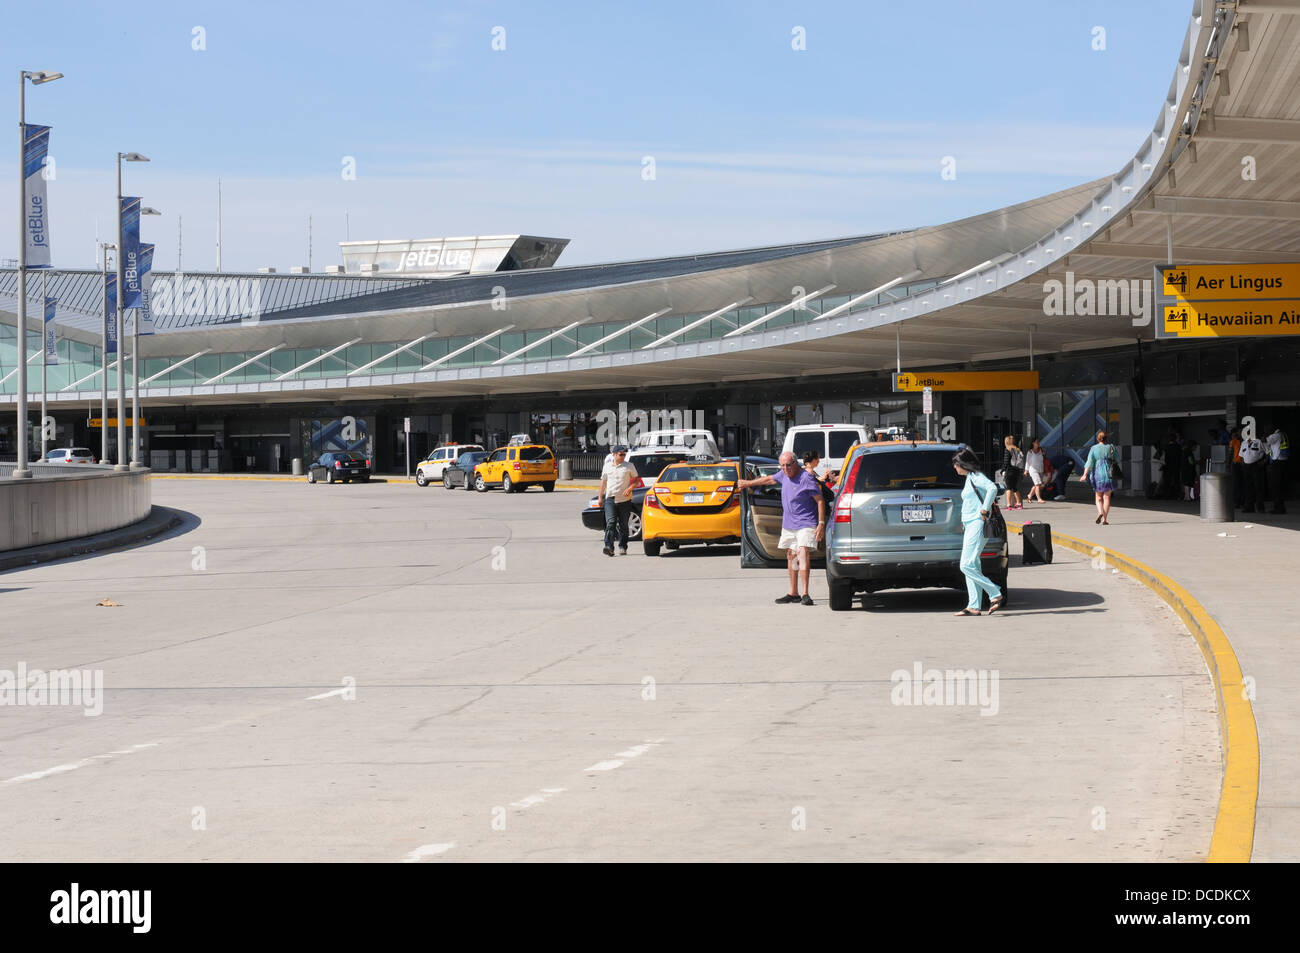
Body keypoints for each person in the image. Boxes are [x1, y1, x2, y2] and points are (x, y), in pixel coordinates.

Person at [737, 450, 826, 605]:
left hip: (806, 523)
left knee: (802, 553)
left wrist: (821, 524)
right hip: (789, 524)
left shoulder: (806, 478)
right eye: (782, 466)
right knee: (791, 556)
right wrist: (748, 483)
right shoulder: (783, 475)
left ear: (795, 463)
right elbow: (769, 480)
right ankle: (793, 593)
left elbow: (820, 500)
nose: (785, 469)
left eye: (788, 465)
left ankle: (805, 593)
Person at [951, 447, 1003, 617]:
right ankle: (974, 605)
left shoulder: (977, 477)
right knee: (973, 564)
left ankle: (994, 592)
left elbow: (992, 489)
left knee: (965, 565)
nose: (955, 467)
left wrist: (984, 510)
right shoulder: (969, 478)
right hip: (970, 524)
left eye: (956, 464)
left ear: (963, 464)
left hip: (977, 524)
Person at [597, 445, 637, 556]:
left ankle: (623, 546)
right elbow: (603, 483)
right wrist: (600, 497)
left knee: (624, 524)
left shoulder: (629, 466)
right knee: (610, 522)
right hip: (610, 499)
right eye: (621, 454)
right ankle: (609, 546)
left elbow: (636, 480)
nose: (623, 456)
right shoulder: (607, 467)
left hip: (625, 500)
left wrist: (630, 488)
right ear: (614, 455)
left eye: (624, 454)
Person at [1080, 430, 1118, 525]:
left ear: (1098, 439)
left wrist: (1085, 474)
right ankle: (1104, 519)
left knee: (1098, 497)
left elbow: (1089, 462)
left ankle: (1100, 512)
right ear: (1106, 438)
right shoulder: (1111, 447)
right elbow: (1117, 459)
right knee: (1107, 497)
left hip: (1098, 474)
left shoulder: (1094, 448)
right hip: (1109, 473)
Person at [1240, 429, 1268, 513]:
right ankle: (1249, 507)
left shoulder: (1259, 441)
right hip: (1246, 467)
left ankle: (1260, 508)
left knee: (1258, 487)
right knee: (1248, 487)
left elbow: (1268, 452)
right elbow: (1241, 455)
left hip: (1256, 466)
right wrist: (1243, 463)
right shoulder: (1243, 443)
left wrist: (1264, 462)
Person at [1266, 424, 1289, 514]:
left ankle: (1278, 508)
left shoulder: (1275, 436)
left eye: (1267, 428)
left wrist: (1265, 434)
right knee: (1279, 486)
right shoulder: (1283, 434)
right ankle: (1279, 507)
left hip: (1277, 463)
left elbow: (1265, 440)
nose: (1266, 429)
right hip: (1282, 462)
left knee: (1275, 486)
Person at [1001, 435, 1024, 510]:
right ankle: (1019, 503)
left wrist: (1002, 470)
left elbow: (1006, 461)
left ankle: (1009, 505)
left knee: (1008, 487)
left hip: (1009, 470)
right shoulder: (1017, 449)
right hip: (1016, 470)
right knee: (1014, 487)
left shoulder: (1008, 449)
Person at [1023, 437, 1046, 503]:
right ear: (1033, 443)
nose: (1038, 443)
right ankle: (1039, 499)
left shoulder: (1041, 450)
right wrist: (1026, 470)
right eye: (1036, 442)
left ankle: (1029, 495)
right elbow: (1028, 462)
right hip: (1033, 470)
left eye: (1038, 442)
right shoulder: (1030, 452)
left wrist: (1044, 454)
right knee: (1038, 484)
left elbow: (1044, 458)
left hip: (1040, 469)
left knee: (1037, 485)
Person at [1229, 427, 1244, 508]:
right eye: (1239, 432)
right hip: (1236, 464)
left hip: (1244, 464)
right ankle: (1236, 502)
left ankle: (1241, 501)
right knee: (1236, 483)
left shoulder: (1245, 441)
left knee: (1242, 483)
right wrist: (1229, 463)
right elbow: (1230, 453)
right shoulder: (1233, 441)